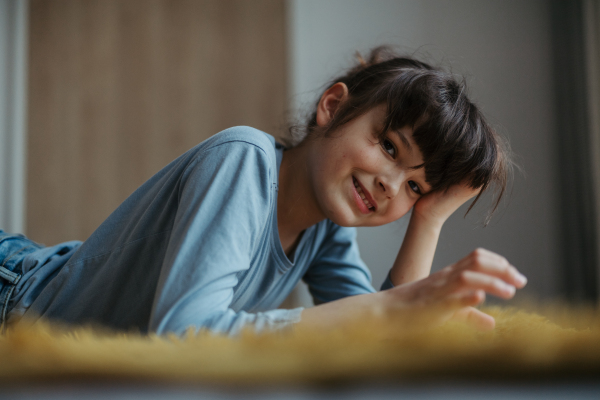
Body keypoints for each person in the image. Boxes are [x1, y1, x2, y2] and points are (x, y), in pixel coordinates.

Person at [0, 47, 526, 337]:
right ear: (333, 107)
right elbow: (185, 332)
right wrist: (396, 309)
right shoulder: (245, 160)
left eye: (414, 185)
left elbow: (377, 344)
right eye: (389, 148)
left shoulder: (326, 229)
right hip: (16, 296)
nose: (391, 185)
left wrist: (428, 220)